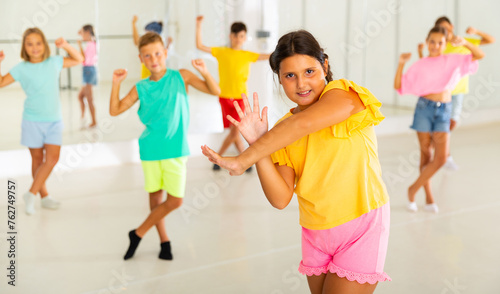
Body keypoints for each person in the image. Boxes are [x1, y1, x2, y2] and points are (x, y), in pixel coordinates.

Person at [202, 30, 390, 294]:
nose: (301, 84)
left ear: (324, 65)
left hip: (360, 225)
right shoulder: (283, 130)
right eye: (290, 75)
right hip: (315, 233)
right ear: (279, 79)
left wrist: (243, 159)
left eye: (310, 71)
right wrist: (259, 146)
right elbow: (280, 198)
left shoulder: (345, 95)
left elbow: (305, 122)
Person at [109, 32, 220, 260]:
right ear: (141, 59)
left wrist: (205, 71)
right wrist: (115, 84)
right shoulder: (140, 87)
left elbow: (215, 91)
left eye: (158, 53)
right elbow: (115, 110)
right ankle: (164, 241)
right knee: (155, 199)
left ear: (165, 53)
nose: (154, 59)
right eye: (147, 56)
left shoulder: (182, 76)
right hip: (150, 150)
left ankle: (137, 233)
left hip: (175, 150)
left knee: (175, 201)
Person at [395, 26, 484, 213]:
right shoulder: (421, 64)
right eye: (432, 42)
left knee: (441, 158)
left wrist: (466, 42)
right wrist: (402, 63)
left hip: (444, 110)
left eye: (440, 42)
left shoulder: (453, 60)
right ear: (427, 43)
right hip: (424, 109)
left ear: (445, 45)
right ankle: (429, 198)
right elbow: (399, 86)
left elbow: (479, 55)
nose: (435, 45)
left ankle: (413, 189)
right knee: (426, 155)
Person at [0, 28, 83, 215]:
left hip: (54, 120)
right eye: (30, 44)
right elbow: (1, 82)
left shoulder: (54, 62)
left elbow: (79, 59)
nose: (34, 47)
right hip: (32, 121)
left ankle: (31, 193)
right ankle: (44, 196)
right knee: (37, 160)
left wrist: (65, 45)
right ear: (24, 47)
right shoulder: (21, 68)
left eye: (38, 43)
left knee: (52, 159)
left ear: (44, 44)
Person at [418, 16, 494, 170]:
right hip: (442, 91)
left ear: (452, 27)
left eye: (447, 28)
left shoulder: (463, 41)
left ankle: (437, 148)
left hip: (459, 91)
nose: (445, 31)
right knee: (443, 124)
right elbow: (427, 65)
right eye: (442, 29)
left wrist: (475, 32)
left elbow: (490, 40)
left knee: (451, 123)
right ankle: (445, 156)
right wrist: (420, 52)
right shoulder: (441, 45)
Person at [196, 15, 270, 171]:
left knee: (235, 131)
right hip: (223, 97)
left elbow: (268, 56)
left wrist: (286, 51)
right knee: (234, 132)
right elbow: (200, 46)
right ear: (231, 36)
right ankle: (245, 161)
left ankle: (217, 159)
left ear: (244, 37)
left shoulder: (247, 55)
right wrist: (198, 24)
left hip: (240, 99)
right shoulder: (221, 52)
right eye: (235, 35)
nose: (238, 38)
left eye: (241, 36)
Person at [132, 15, 172, 79]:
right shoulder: (159, 44)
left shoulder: (151, 44)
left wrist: (133, 24)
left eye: (147, 33)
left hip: (150, 76)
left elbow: (136, 41)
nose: (145, 35)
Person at [77, 24, 98, 128]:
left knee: (89, 98)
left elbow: (83, 58)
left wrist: (79, 45)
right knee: (80, 96)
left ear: (88, 33)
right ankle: (83, 118)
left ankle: (94, 121)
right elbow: (79, 32)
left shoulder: (91, 44)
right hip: (88, 70)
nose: (81, 36)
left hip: (88, 70)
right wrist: (82, 32)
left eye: (83, 33)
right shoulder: (92, 42)